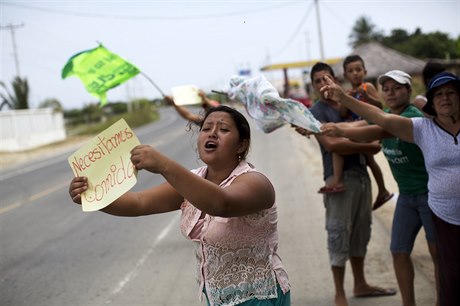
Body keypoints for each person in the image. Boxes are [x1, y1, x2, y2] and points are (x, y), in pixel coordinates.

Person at [68, 105, 291, 306]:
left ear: (241, 144)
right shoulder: (193, 180)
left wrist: (164, 164)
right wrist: (92, 196)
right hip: (216, 299)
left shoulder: (256, 183)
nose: (212, 132)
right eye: (206, 128)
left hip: (259, 298)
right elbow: (138, 203)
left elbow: (221, 203)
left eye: (223, 129)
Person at [320, 71, 460, 306]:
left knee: (442, 258)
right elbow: (373, 120)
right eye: (386, 89)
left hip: (427, 197)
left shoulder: (415, 118)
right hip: (421, 201)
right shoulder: (421, 126)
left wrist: (342, 129)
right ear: (433, 101)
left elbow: (377, 128)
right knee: (401, 251)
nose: (391, 93)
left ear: (409, 90)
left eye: (451, 93)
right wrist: (332, 125)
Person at [293, 62, 396, 306]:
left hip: (361, 174)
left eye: (325, 78)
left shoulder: (350, 104)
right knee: (338, 233)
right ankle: (339, 292)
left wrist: (365, 142)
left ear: (336, 79)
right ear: (314, 87)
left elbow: (374, 123)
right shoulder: (315, 112)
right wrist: (368, 147)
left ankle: (360, 284)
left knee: (361, 231)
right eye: (317, 81)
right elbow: (332, 145)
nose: (322, 84)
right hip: (337, 180)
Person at [318, 55, 394, 212]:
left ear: (365, 72)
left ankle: (338, 180)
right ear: (345, 76)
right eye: (351, 71)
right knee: (369, 160)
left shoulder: (368, 87)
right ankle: (382, 191)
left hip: (367, 124)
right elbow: (344, 111)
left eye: (358, 70)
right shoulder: (347, 92)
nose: (355, 73)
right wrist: (344, 99)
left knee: (344, 147)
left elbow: (379, 106)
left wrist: (366, 97)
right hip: (357, 129)